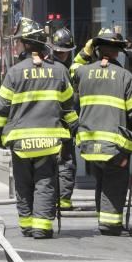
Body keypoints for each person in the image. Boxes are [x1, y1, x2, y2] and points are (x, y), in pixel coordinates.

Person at [0, 18, 77, 239]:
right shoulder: (59, 71)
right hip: (49, 141)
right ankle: (42, 227)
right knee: (45, 182)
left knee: (23, 183)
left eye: (19, 41)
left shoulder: (14, 72)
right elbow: (68, 107)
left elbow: (1, 108)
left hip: (20, 142)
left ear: (25, 43)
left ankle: (27, 225)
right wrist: (72, 131)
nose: (18, 45)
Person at [75, 28, 132, 236]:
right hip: (115, 146)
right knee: (114, 182)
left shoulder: (83, 72)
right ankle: (110, 225)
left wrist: (84, 53)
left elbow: (71, 69)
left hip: (90, 144)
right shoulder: (125, 77)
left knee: (101, 181)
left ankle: (104, 219)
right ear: (117, 52)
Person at [47, 26, 78, 211]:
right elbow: (69, 102)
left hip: (45, 125)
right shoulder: (62, 71)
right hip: (62, 126)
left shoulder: (46, 66)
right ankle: (64, 201)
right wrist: (75, 126)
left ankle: (50, 199)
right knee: (65, 163)